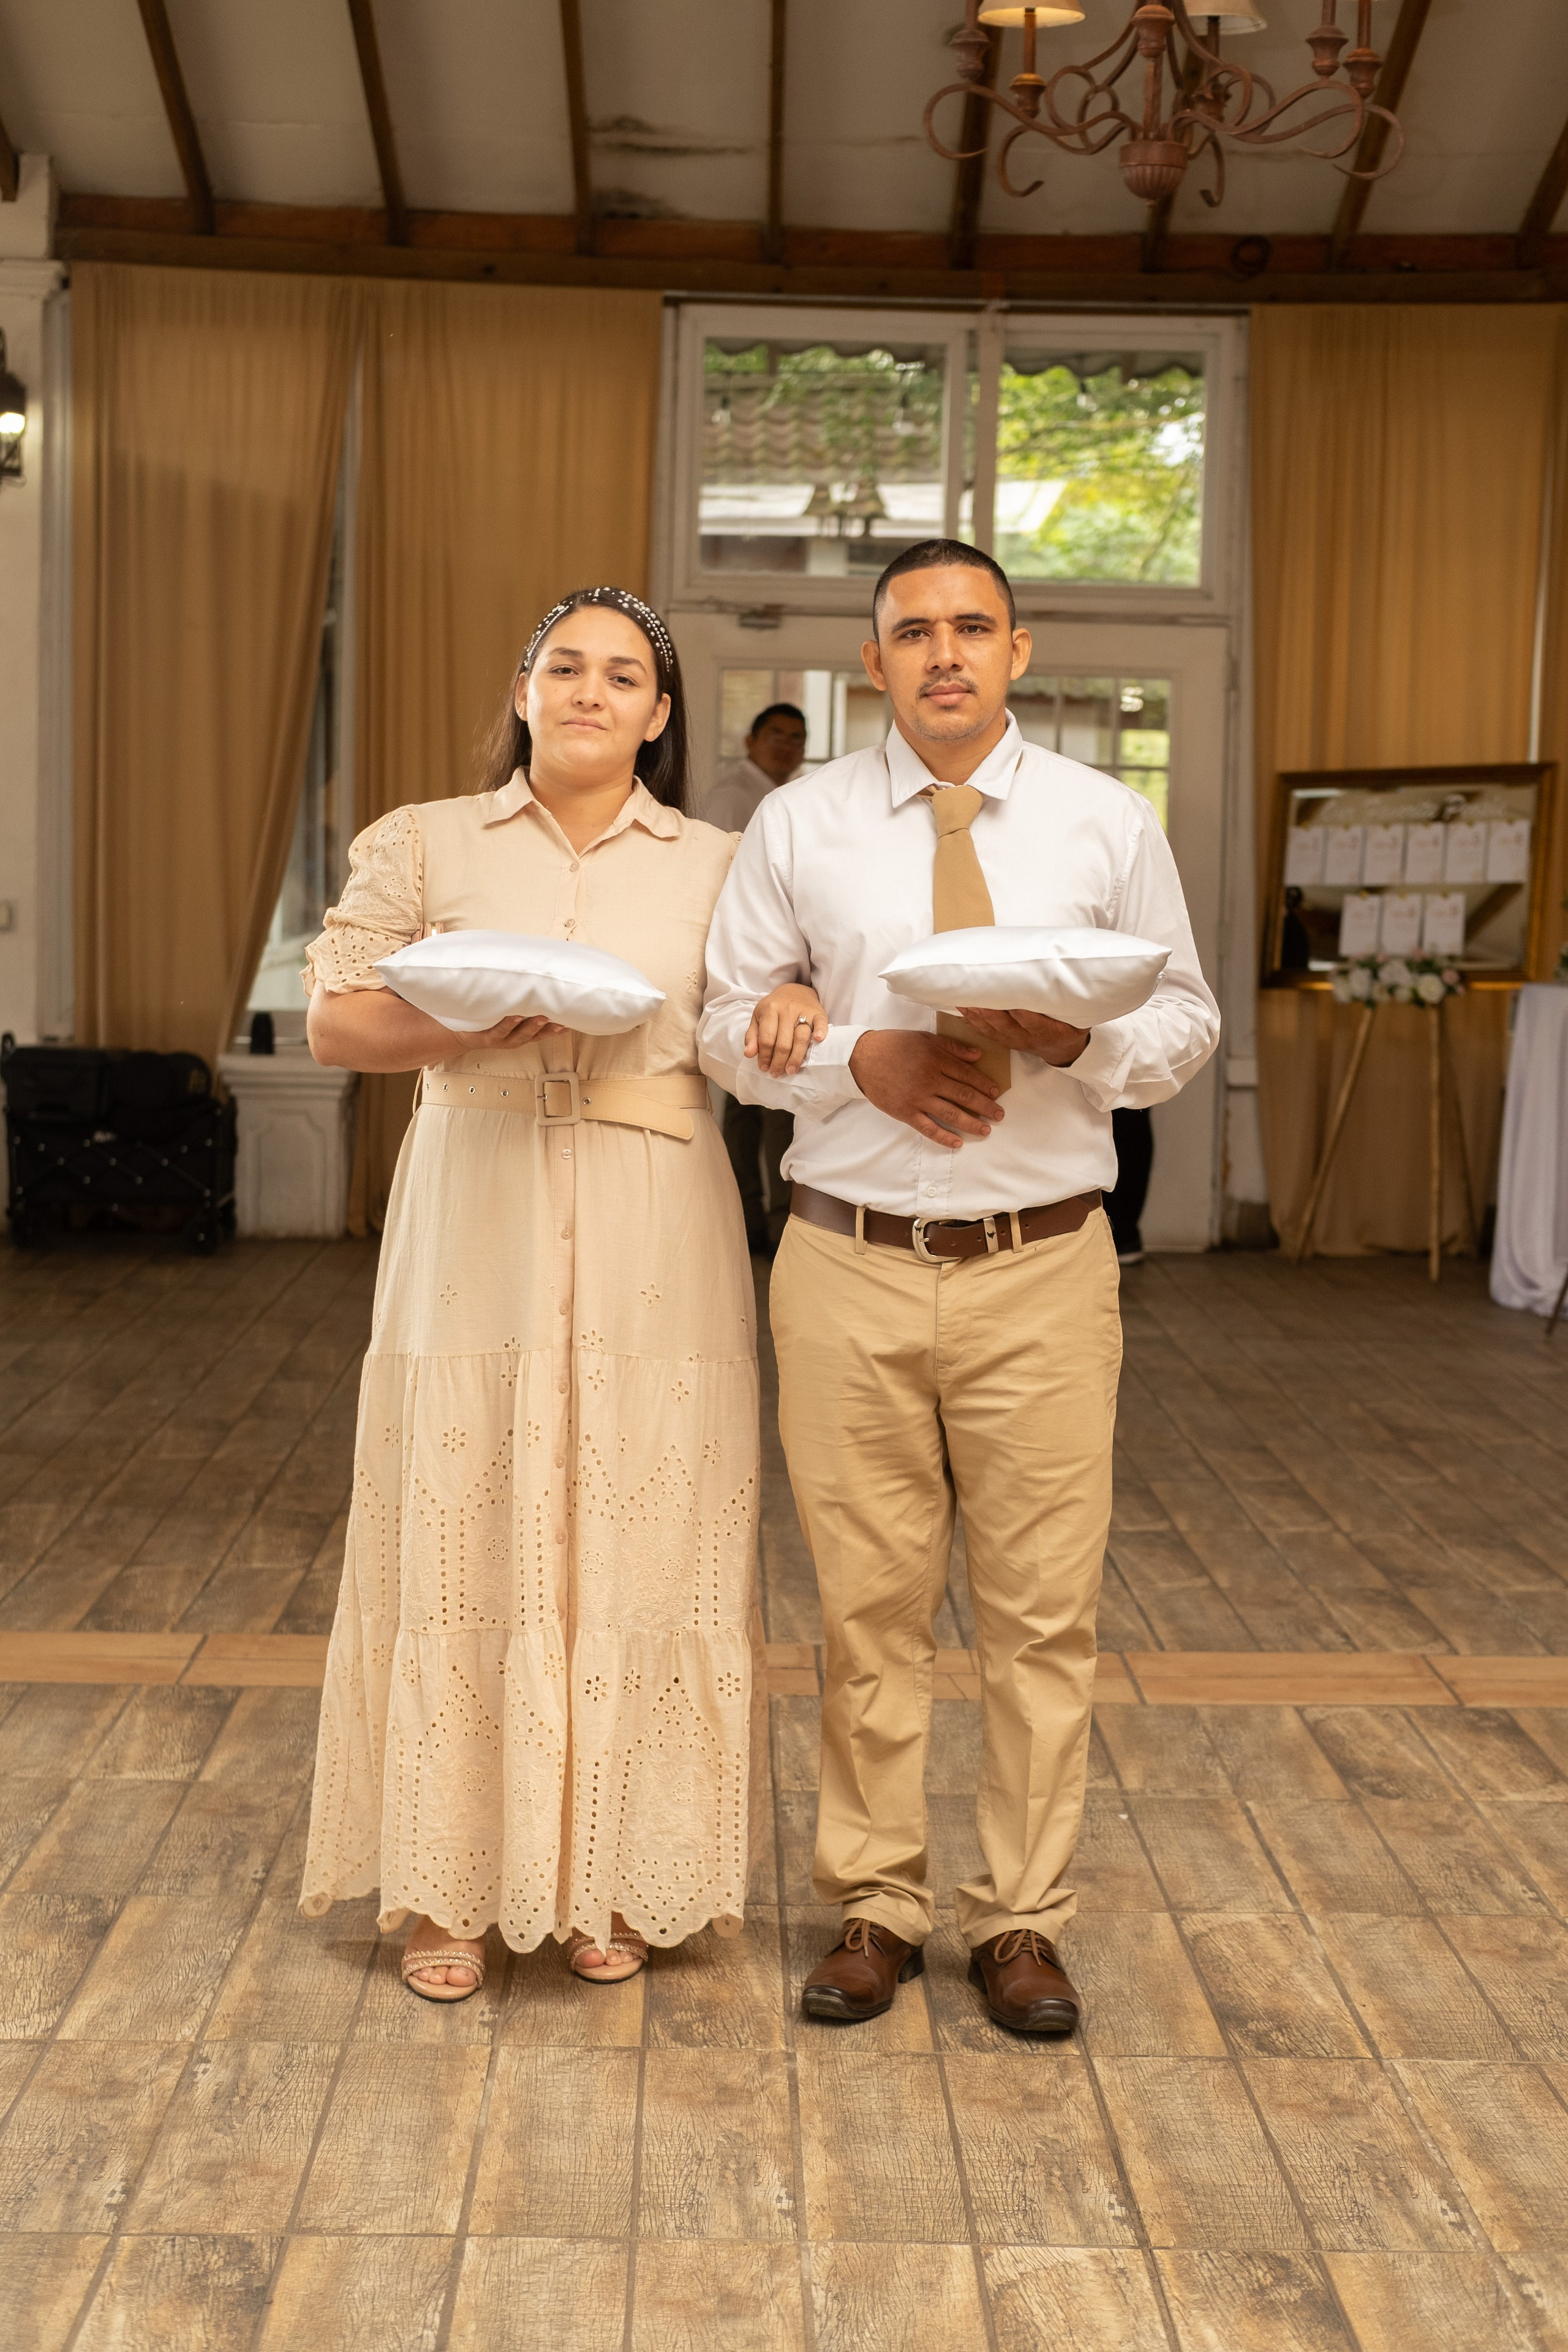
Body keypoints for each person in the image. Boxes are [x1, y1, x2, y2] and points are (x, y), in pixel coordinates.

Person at [698, 539, 1219, 2034]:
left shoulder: (1102, 822)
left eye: (969, 627)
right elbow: (723, 1021)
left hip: (1041, 1262)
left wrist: (1068, 1042)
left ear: (1015, 648)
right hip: (845, 1258)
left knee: (1037, 1616)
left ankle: (1019, 1919)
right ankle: (873, 1904)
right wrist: (849, 1046)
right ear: (872, 663)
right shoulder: (798, 826)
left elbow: (1177, 1016)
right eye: (911, 631)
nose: (942, 652)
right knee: (865, 1609)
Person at [298, 584, 821, 1999]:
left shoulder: (723, 861)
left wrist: (800, 1015)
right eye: (565, 666)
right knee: (465, 1512)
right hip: (476, 1190)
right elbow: (337, 1017)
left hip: (659, 1200)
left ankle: (618, 1872)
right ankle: (447, 1886)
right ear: (524, 688)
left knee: (643, 1520)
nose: (592, 690)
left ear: (658, 716)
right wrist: (459, 1019)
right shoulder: (423, 840)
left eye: (624, 675)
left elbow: (763, 1024)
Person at [703, 704, 809, 1251]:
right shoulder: (734, 796)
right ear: (750, 739)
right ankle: (760, 1223)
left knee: (761, 1104)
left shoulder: (796, 801)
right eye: (776, 736)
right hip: (748, 960)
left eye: (797, 739)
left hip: (787, 968)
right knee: (761, 1099)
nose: (786, 747)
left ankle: (762, 1221)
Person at [701, 701, 808, 832]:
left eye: (795, 741)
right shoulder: (731, 794)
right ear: (750, 742)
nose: (786, 748)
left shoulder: (787, 793)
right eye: (776, 739)